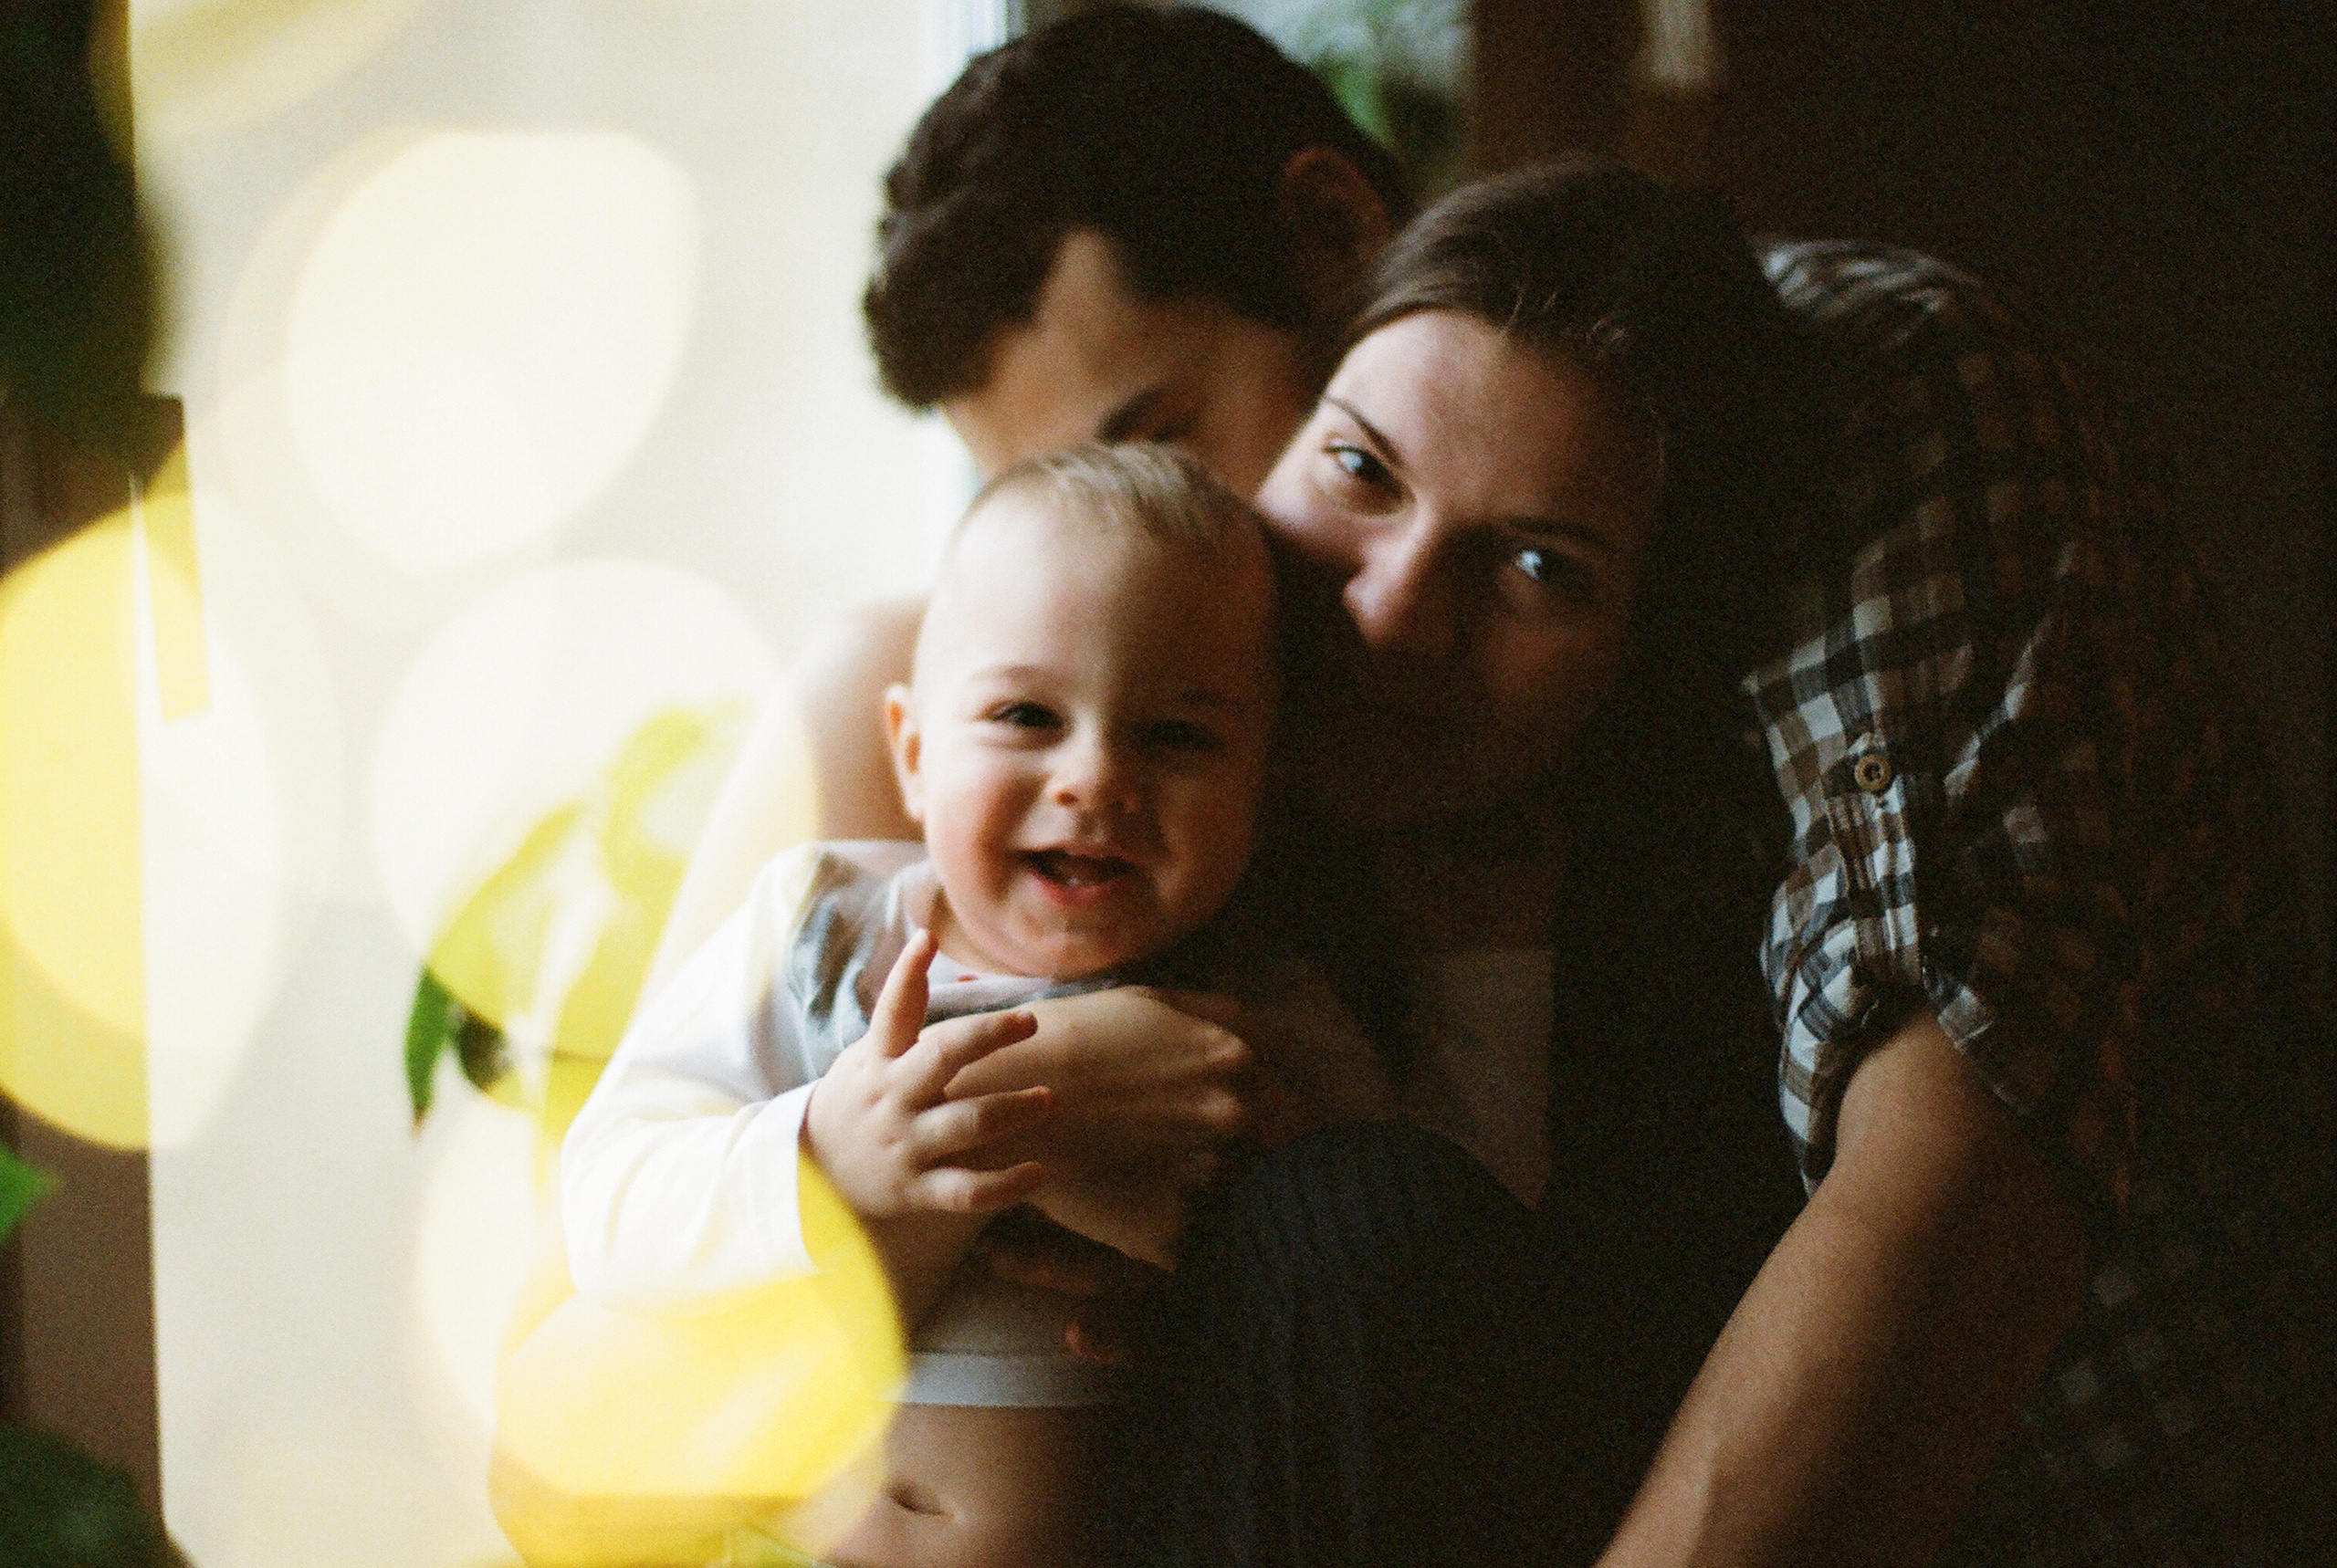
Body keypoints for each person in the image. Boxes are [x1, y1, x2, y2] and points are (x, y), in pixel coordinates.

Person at [600, 10, 2335, 1565]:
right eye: (1064, 493)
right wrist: (926, 1152)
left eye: (1169, 434)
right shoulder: (957, 758)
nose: (1144, 559)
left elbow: (1941, 1214)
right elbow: (592, 1420)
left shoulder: (1851, 432)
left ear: (1339, 248)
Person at [561, 445, 1397, 1568]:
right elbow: (607, 1188)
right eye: (1023, 713)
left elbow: (1411, 1272)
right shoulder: (820, 929)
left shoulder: (1245, 1011)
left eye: (1179, 735)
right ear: (911, 753)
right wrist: (817, 1152)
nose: (1097, 777)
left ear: (1262, 781)